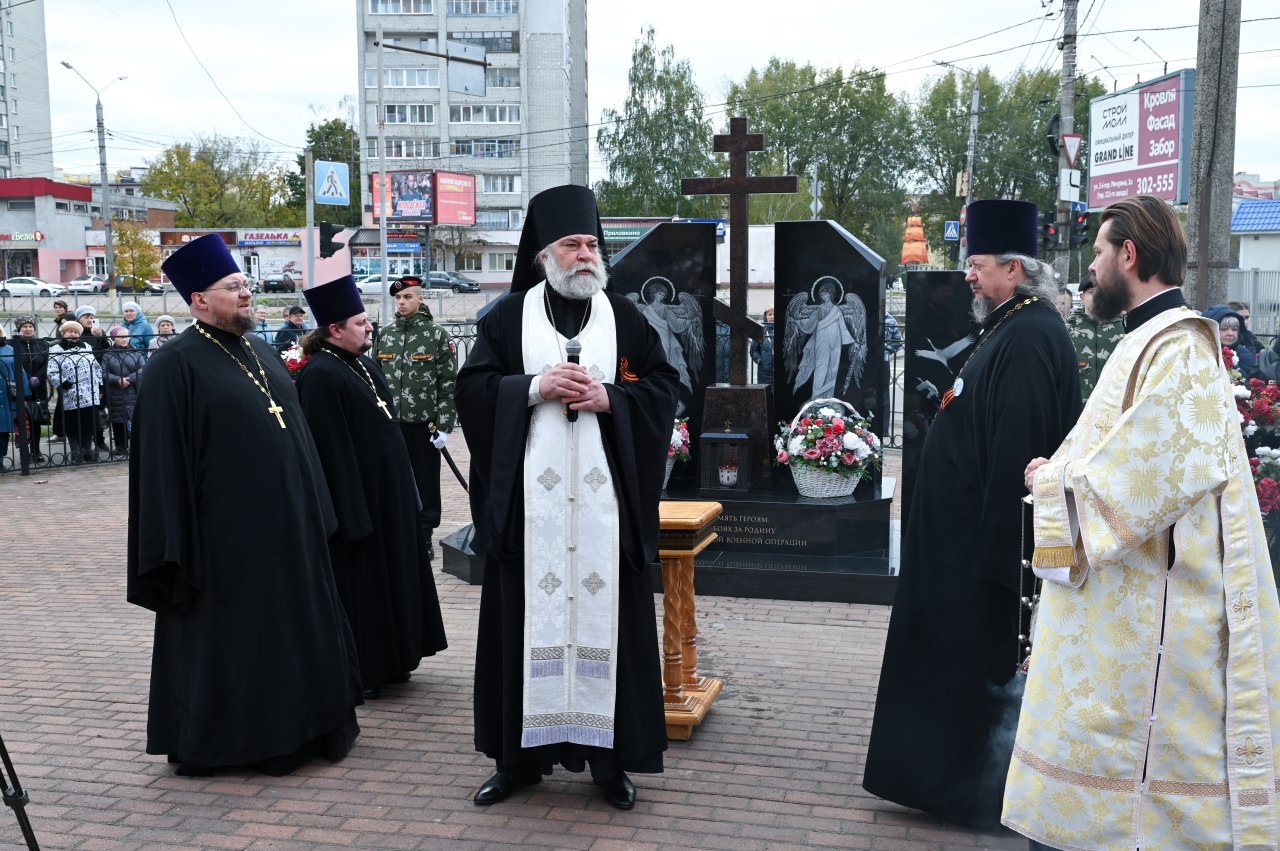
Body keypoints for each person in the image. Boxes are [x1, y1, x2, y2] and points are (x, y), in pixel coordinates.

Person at [1007, 194, 1280, 851]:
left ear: (1130, 254)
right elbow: (1112, 449)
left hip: (1163, 606)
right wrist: (1063, 467)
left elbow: (1153, 472)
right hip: (1128, 594)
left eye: (1100, 252)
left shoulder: (1180, 345)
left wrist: (1053, 483)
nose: (1093, 267)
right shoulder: (1145, 339)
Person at [456, 184, 678, 811]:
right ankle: (516, 764)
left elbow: (663, 387)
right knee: (521, 630)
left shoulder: (626, 317)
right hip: (532, 517)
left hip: (606, 516)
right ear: (544, 255)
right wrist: (531, 387)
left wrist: (615, 399)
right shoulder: (505, 318)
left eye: (591, 245)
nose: (585, 255)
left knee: (611, 629)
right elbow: (473, 391)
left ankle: (610, 768)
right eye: (571, 245)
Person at [863, 199, 1082, 827]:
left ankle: (975, 796)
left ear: (1013, 269)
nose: (967, 275)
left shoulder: (1032, 336)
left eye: (977, 264)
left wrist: (1002, 572)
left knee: (971, 681)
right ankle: (942, 786)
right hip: (956, 553)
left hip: (981, 566)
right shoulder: (1009, 325)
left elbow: (1020, 456)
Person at [126, 233, 362, 777]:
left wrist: (316, 509)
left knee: (294, 633)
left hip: (290, 532)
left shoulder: (258, 351)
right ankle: (244, 741)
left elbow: (295, 435)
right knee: (241, 643)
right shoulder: (173, 366)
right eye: (233, 287)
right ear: (199, 299)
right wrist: (173, 551)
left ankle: (306, 728)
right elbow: (161, 470)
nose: (246, 293)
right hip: (225, 543)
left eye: (246, 284)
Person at [296, 274, 448, 699]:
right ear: (334, 330)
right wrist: (351, 514)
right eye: (360, 323)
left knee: (395, 581)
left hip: (391, 499)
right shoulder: (321, 376)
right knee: (364, 590)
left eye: (368, 321)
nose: (370, 328)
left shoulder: (364, 364)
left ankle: (398, 659)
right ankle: (366, 669)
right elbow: (331, 454)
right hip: (360, 506)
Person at [372, 275, 457, 563]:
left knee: (425, 482)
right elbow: (374, 381)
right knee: (393, 480)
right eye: (398, 298)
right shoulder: (385, 335)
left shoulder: (436, 335)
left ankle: (423, 535)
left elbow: (448, 384)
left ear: (421, 299)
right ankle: (396, 533)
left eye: (407, 297)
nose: (402, 303)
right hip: (390, 424)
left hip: (424, 425)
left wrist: (444, 426)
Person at [46, 320, 102, 465]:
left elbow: (95, 366)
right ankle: (76, 451)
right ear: (63, 333)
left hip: (89, 392)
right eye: (70, 331)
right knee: (73, 424)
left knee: (88, 423)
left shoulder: (86, 346)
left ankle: (87, 450)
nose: (73, 334)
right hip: (70, 392)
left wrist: (98, 383)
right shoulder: (56, 349)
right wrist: (64, 383)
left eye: (76, 332)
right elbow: (52, 370)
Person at [1065, 275, 1125, 400]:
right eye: (1091, 293)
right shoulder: (1068, 328)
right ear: (1082, 297)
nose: (1096, 297)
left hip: (1112, 405)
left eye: (1101, 293)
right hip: (1078, 407)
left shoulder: (1123, 326)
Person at [102, 325, 145, 459]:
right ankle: (121, 447)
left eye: (126, 336)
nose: (125, 339)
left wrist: (129, 379)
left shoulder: (136, 352)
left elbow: (143, 368)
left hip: (133, 389)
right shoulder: (108, 354)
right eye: (121, 337)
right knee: (118, 419)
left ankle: (136, 446)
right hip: (116, 391)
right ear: (114, 338)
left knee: (135, 418)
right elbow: (103, 372)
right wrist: (117, 380)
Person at [12, 316, 48, 462]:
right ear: (19, 329)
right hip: (20, 387)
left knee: (36, 419)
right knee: (22, 420)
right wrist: (25, 379)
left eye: (30, 326)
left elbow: (47, 362)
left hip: (38, 387)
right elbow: (13, 363)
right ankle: (24, 452)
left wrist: (38, 377)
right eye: (24, 327)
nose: (28, 329)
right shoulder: (13, 344)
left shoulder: (41, 344)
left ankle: (36, 450)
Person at [1204, 304, 1259, 379]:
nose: (1230, 333)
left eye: (1234, 329)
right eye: (1223, 329)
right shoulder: (1201, 354)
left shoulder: (1244, 353)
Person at [750, 306, 775, 385]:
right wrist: (760, 361)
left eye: (774, 314)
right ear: (765, 316)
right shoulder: (760, 331)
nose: (772, 317)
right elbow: (753, 350)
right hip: (764, 372)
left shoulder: (784, 330)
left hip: (780, 371)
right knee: (766, 394)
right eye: (769, 314)